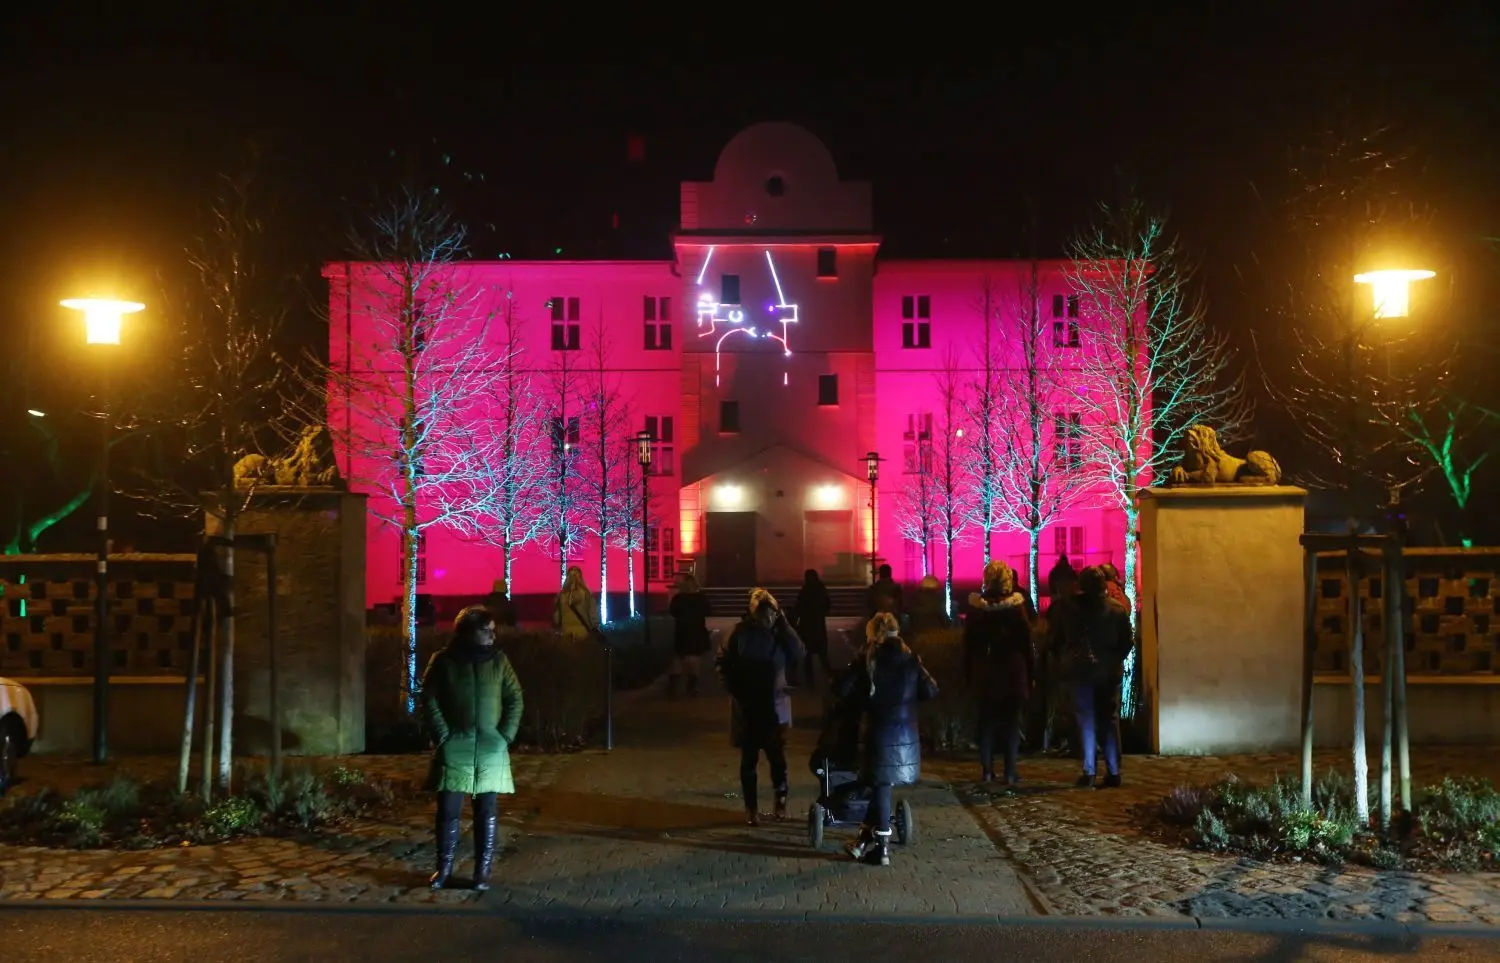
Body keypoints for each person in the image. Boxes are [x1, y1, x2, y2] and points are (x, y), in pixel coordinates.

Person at [419, 606, 525, 891]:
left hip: (491, 748)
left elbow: (515, 698)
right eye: (485, 630)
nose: (492, 635)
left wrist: (504, 735)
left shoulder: (499, 662)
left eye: (494, 630)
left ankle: (482, 872)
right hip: (455, 746)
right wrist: (442, 734)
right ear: (467, 631)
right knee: (448, 810)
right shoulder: (444, 661)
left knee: (487, 811)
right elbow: (428, 699)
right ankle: (443, 869)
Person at [834, 612, 938, 866]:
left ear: (872, 634)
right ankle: (862, 842)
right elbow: (931, 690)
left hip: (877, 736)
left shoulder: (868, 660)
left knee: (880, 786)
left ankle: (881, 850)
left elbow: (840, 689)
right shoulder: (910, 658)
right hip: (904, 739)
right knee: (881, 787)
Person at [716, 588, 805, 825]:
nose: (768, 619)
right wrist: (735, 688)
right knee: (749, 758)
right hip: (748, 705)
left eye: (772, 614)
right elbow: (722, 662)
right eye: (763, 614)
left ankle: (780, 799)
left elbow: (799, 653)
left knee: (777, 756)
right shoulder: (739, 633)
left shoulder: (780, 633)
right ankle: (751, 808)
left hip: (775, 703)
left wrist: (784, 626)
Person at [1048, 566, 1133, 789]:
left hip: (1080, 671)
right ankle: (1114, 770)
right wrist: (1115, 660)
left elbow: (1055, 640)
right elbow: (1127, 642)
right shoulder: (1116, 610)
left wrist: (1062, 660)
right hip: (1108, 673)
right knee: (1109, 719)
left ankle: (1089, 770)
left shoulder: (1069, 609)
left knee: (1086, 720)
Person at [964, 560, 1035, 785]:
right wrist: (1031, 674)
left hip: (985, 669)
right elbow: (1027, 645)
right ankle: (1010, 771)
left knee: (986, 722)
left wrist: (968, 673)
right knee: (1012, 723)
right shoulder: (1016, 608)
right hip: (1013, 670)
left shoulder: (977, 609)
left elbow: (968, 644)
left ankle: (986, 770)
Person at [668, 573, 712, 696]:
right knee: (695, 660)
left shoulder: (678, 598)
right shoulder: (701, 598)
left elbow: (672, 612)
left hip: (682, 631)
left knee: (679, 658)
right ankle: (691, 688)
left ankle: (673, 687)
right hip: (696, 631)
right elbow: (708, 611)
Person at [792, 568, 833, 685]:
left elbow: (799, 606)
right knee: (822, 654)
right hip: (817, 625)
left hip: (807, 626)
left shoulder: (806, 590)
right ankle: (830, 677)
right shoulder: (820, 589)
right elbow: (827, 605)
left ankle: (810, 680)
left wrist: (796, 619)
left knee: (808, 656)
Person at [552, 566, 597, 640]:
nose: (573, 578)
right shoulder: (586, 594)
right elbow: (593, 614)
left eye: (574, 575)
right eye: (572, 575)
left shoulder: (562, 595)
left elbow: (557, 616)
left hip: (573, 629)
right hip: (576, 630)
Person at [907, 574, 949, 644]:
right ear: (936, 586)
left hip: (916, 638)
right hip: (935, 640)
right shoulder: (937, 601)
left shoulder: (912, 600)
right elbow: (946, 622)